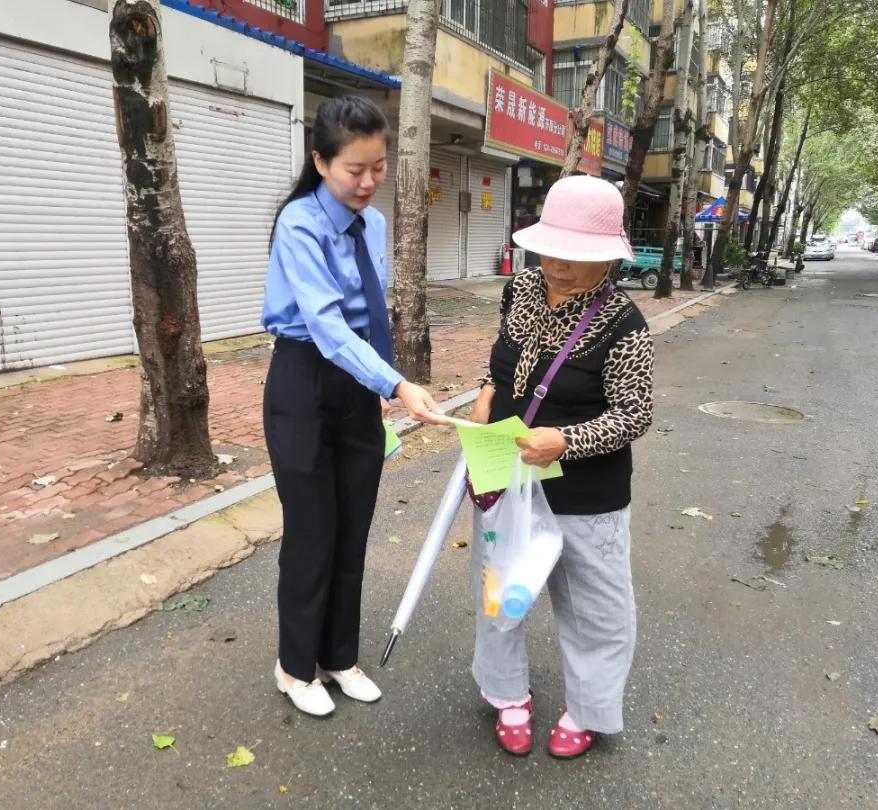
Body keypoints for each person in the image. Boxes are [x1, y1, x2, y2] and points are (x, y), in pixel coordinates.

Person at [262, 96, 446, 718]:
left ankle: (338, 657)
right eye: (354, 169)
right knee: (312, 532)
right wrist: (396, 384)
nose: (368, 182)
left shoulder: (374, 224)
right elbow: (325, 325)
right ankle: (295, 667)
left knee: (353, 528)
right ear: (320, 161)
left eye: (378, 167)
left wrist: (381, 383)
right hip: (304, 382)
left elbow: (369, 316)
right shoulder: (299, 224)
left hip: (357, 385)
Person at [468, 175, 654, 758]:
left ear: (608, 257)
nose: (558, 265)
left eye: (576, 255)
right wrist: (486, 390)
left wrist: (567, 440)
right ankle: (507, 694)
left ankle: (588, 709)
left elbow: (635, 415)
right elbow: (502, 359)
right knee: (501, 594)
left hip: (586, 492)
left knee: (594, 609)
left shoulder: (624, 324)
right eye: (551, 250)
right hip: (505, 470)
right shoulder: (521, 289)